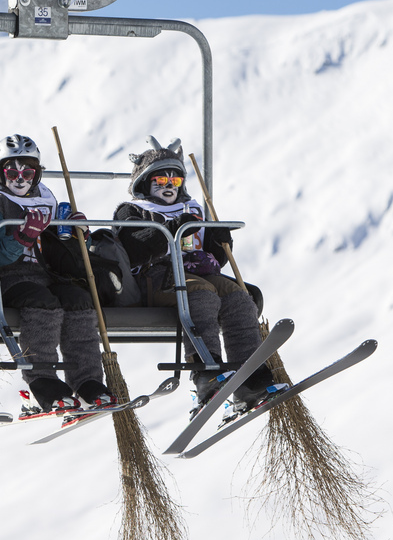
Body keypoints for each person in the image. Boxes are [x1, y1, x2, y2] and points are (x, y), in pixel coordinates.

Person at [112, 136, 286, 417]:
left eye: (175, 181)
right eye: (160, 181)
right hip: (157, 278)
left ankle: (250, 378)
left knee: (239, 299)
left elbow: (214, 258)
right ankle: (206, 372)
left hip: (197, 272)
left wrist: (218, 241)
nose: (169, 187)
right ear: (145, 183)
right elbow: (136, 249)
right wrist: (174, 228)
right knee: (201, 294)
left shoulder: (193, 209)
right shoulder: (133, 211)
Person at [0, 134, 116, 416]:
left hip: (44, 274)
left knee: (78, 299)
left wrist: (72, 235)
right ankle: (41, 380)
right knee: (43, 302)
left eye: (27, 172)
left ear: (37, 172)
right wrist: (22, 237)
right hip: (4, 277)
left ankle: (87, 380)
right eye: (12, 171)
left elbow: (56, 252)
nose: (20, 179)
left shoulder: (46, 199)